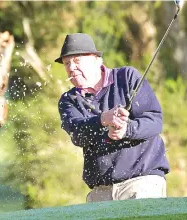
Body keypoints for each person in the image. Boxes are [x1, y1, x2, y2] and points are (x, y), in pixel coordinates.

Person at [56, 33, 170, 202]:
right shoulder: (69, 100)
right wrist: (102, 120)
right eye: (67, 63)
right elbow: (77, 134)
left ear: (96, 60)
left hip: (142, 182)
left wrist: (127, 129)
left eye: (77, 61)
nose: (71, 67)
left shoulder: (127, 77)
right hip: (101, 191)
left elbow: (154, 121)